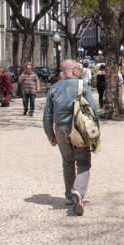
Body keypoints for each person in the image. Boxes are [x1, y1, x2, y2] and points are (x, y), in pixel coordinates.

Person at [42, 59, 98, 216]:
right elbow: (92, 110)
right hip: (79, 128)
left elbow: (47, 115)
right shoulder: (82, 85)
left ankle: (69, 195)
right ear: (73, 70)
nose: (79, 71)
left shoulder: (53, 88)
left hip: (60, 129)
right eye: (78, 68)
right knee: (83, 162)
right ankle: (78, 193)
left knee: (67, 162)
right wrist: (96, 132)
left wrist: (50, 134)